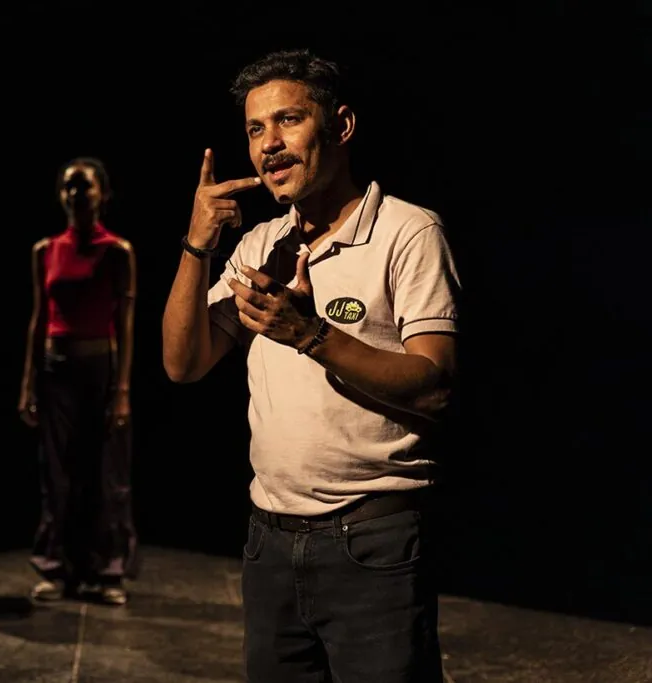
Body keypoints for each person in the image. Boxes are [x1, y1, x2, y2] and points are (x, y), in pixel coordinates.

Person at [162, 50, 461, 682]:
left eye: (288, 121)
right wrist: (196, 244)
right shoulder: (260, 245)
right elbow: (182, 363)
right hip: (269, 543)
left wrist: (312, 334)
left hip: (373, 543)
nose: (269, 144)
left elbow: (435, 389)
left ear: (341, 126)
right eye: (254, 130)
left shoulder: (408, 233)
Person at [18, 157, 138, 606]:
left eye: (84, 187)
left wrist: (122, 390)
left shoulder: (118, 250)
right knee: (57, 474)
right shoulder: (44, 250)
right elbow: (38, 320)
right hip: (55, 374)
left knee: (106, 473)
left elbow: (126, 322)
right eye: (69, 186)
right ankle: (56, 568)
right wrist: (28, 384)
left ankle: (106, 571)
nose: (76, 194)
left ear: (102, 194)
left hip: (99, 371)